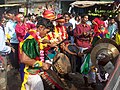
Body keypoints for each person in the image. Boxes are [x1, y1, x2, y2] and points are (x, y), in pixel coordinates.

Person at [20, 17, 54, 90]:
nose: (46, 34)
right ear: (41, 27)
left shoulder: (35, 35)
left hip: (33, 72)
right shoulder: (31, 39)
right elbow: (24, 59)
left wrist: (48, 42)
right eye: (46, 32)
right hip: (30, 73)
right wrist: (42, 64)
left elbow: (40, 41)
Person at [74, 14, 96, 87]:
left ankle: (93, 80)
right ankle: (86, 79)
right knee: (85, 63)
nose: (86, 19)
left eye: (87, 18)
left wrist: (90, 34)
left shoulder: (89, 26)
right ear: (82, 18)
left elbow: (92, 35)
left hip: (88, 45)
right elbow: (76, 35)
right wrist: (82, 35)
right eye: (85, 18)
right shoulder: (78, 26)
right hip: (81, 45)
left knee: (91, 63)